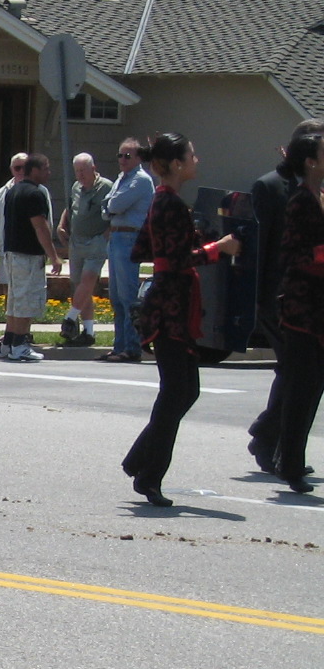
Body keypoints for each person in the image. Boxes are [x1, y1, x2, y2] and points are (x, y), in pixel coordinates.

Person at [120, 132, 243, 506]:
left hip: (176, 306)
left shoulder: (167, 202)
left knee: (182, 391)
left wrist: (193, 237)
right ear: (175, 164)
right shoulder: (167, 203)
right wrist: (214, 248)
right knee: (178, 392)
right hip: (169, 309)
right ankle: (147, 473)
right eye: (191, 154)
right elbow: (172, 261)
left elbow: (143, 248)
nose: (196, 159)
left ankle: (141, 463)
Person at [246, 119, 324, 472]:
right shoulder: (269, 186)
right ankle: (270, 441)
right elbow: (263, 248)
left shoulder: (317, 189)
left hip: (311, 297)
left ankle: (275, 444)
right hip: (280, 295)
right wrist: (258, 299)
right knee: (297, 373)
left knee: (300, 373)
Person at [0, 153, 58, 363]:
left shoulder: (13, 192)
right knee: (26, 301)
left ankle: (7, 343)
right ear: (35, 170)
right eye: (46, 168)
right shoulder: (34, 194)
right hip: (28, 256)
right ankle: (19, 346)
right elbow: (41, 227)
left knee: (14, 301)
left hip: (11, 253)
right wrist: (54, 256)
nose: (49, 173)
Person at [103, 137, 155, 363]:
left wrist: (111, 206)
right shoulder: (121, 179)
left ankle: (132, 347)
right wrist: (111, 206)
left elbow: (113, 205)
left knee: (127, 295)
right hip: (115, 237)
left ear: (138, 158)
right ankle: (118, 346)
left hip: (129, 237)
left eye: (128, 156)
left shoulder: (141, 180)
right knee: (115, 296)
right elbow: (105, 207)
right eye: (120, 155)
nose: (122, 160)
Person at [57, 152, 114, 346]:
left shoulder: (106, 187)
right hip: (77, 242)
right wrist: (62, 224)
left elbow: (116, 210)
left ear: (93, 168)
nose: (80, 175)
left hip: (96, 241)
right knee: (80, 286)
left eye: (83, 170)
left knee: (88, 279)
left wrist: (106, 234)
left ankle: (70, 318)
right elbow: (71, 206)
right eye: (77, 171)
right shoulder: (76, 187)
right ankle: (88, 332)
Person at [0, 151, 28, 272]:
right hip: (6, 249)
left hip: (29, 251)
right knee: (6, 287)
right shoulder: (2, 192)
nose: (22, 171)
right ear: (11, 169)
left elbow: (47, 222)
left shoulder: (40, 190)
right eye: (18, 168)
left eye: (25, 167)